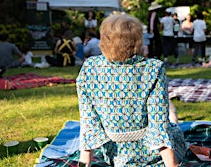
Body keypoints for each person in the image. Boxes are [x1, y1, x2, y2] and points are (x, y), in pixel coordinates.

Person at [76, 14, 186, 167]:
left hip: (113, 155)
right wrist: (172, 165)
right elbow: (159, 125)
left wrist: (84, 163)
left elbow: (89, 122)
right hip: (151, 156)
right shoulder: (153, 68)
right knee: (174, 129)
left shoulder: (90, 67)